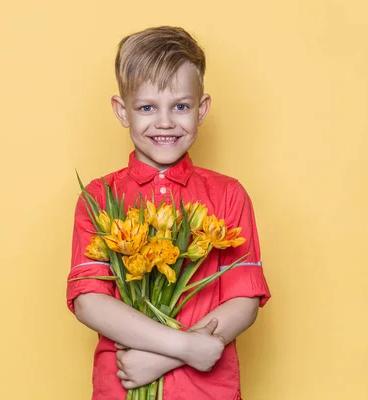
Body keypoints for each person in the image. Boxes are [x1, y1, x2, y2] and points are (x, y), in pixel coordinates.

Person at [66, 26, 271, 400]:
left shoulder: (228, 194)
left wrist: (162, 359)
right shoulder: (99, 197)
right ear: (121, 111)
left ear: (201, 109)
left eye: (180, 106)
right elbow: (89, 300)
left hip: (208, 391)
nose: (164, 122)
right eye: (147, 107)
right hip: (123, 384)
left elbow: (244, 299)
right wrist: (185, 348)